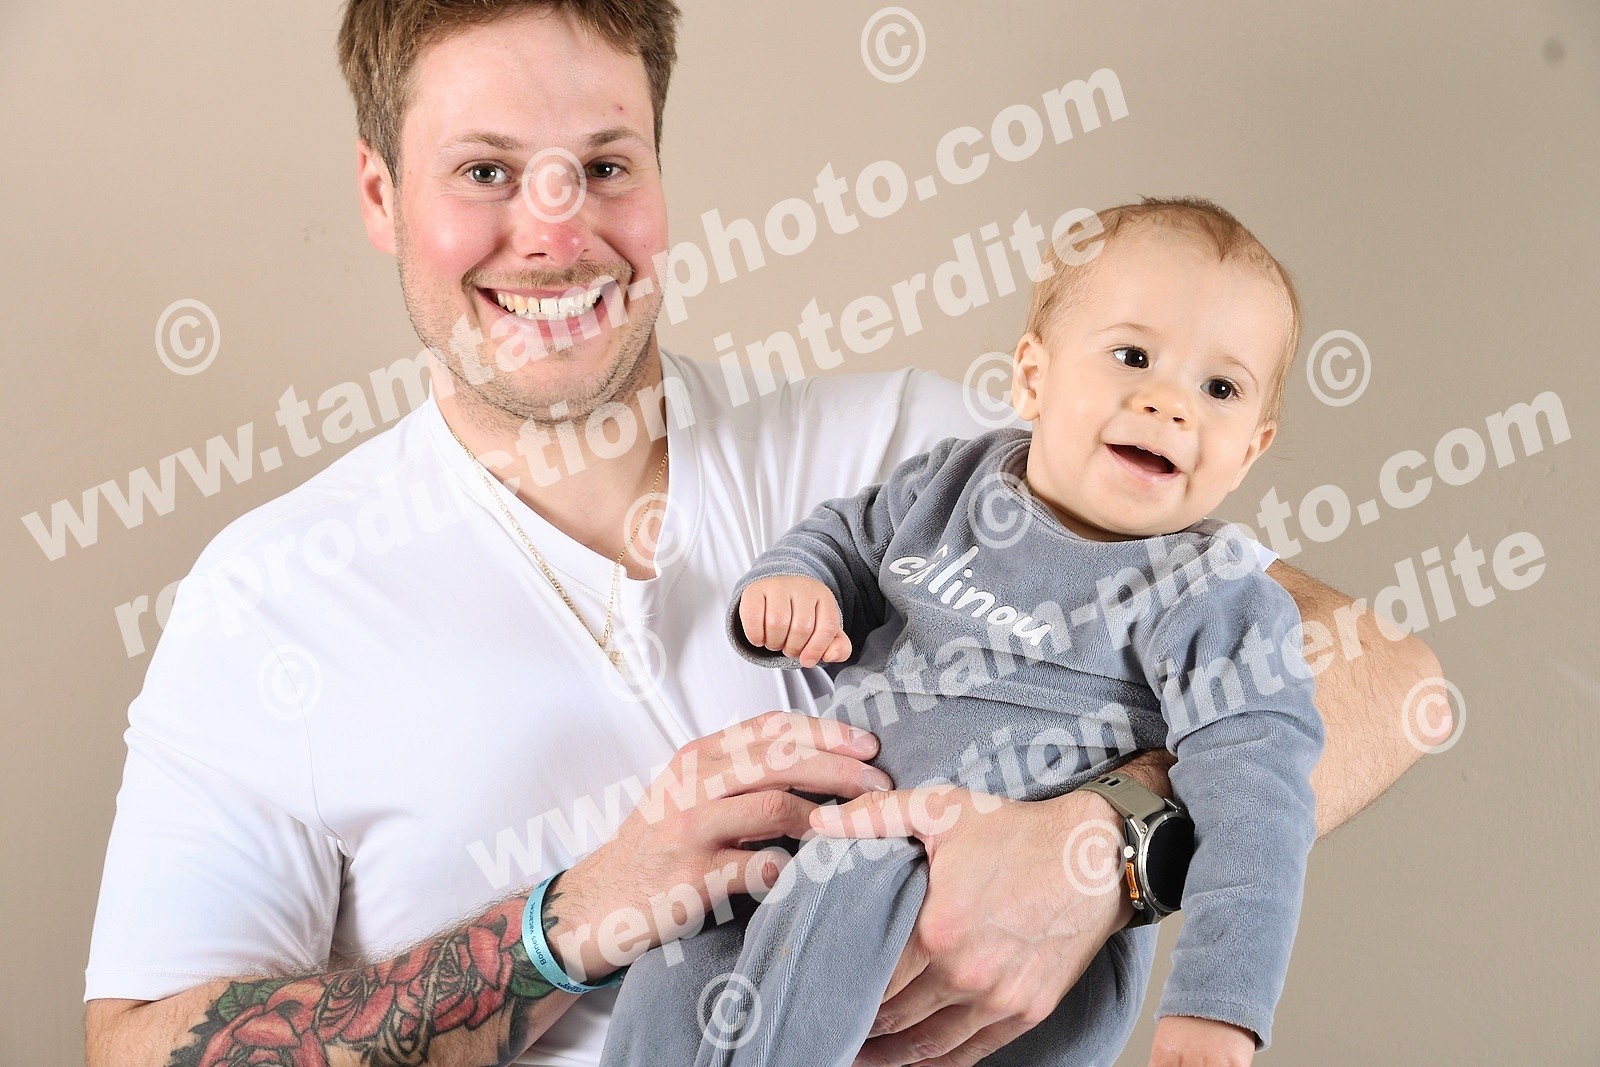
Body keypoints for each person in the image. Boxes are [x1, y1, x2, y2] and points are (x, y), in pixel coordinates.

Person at [82, 4, 1446, 1066]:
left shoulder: (916, 460)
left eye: (604, 165)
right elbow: (141, 1045)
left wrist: (1104, 847)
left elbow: (1381, 675)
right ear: (382, 193)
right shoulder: (268, 598)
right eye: (485, 170)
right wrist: (565, 923)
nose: (554, 232)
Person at [602, 198, 1322, 1067]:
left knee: (853, 873)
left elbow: (1261, 801)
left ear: (1251, 449)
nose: (1172, 404)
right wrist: (798, 583)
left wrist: (1218, 1005)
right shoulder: (953, 485)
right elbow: (848, 535)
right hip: (817, 856)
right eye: (1134, 356)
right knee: (684, 945)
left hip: (1001, 934)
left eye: (1220, 389)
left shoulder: (1213, 597)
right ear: (1033, 377)